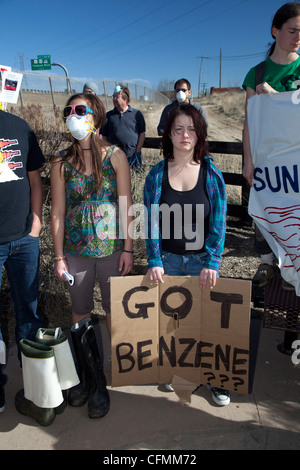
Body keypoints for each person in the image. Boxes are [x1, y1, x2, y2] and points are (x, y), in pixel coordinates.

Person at [50, 93, 133, 418]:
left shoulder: (116, 157)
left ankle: (113, 373)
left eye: (79, 110)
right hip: (76, 252)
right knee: (80, 311)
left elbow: (127, 204)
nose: (72, 114)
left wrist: (128, 247)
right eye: (68, 111)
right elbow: (57, 211)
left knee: (116, 310)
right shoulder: (60, 161)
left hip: (112, 250)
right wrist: (58, 257)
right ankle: (89, 376)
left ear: (95, 116)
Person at [144, 103, 229, 406]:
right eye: (178, 128)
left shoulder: (211, 173)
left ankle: (217, 378)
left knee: (206, 323)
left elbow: (219, 220)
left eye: (191, 128)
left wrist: (213, 261)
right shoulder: (156, 175)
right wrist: (154, 260)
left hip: (200, 263)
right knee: (174, 323)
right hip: (167, 261)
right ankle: (180, 371)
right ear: (167, 133)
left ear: (199, 133)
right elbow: (151, 220)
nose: (185, 134)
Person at [242, 2, 300, 353]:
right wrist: (248, 160)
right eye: (292, 29)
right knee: (272, 226)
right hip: (269, 170)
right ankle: (267, 265)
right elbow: (250, 122)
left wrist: (277, 98)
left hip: (297, 168)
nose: (298, 37)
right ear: (275, 31)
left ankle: (294, 335)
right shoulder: (256, 73)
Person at [0, 109, 45, 413]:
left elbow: (34, 179)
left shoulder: (18, 126)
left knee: (29, 310)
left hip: (24, 240)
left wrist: (37, 221)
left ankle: (34, 384)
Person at [101, 85, 146, 169]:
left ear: (125, 98)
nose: (113, 99)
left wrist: (138, 151)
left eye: (116, 97)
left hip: (133, 156)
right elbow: (104, 136)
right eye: (113, 96)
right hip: (114, 157)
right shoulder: (108, 116)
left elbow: (142, 133)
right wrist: (109, 152)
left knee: (134, 179)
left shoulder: (136, 114)